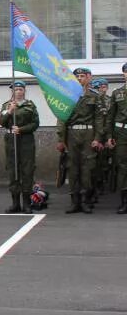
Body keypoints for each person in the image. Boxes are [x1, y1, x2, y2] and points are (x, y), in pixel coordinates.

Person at [56, 67, 103, 214]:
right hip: (72, 133)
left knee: (87, 168)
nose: (80, 79)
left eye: (82, 76)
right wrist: (61, 139)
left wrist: (97, 138)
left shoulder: (95, 96)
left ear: (88, 78)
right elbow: (62, 118)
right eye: (77, 77)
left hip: (88, 133)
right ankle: (74, 202)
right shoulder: (68, 95)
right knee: (72, 168)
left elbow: (99, 118)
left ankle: (85, 201)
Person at [0, 81, 39, 213]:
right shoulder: (6, 105)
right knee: (13, 170)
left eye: (21, 89)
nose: (19, 92)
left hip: (26, 140)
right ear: (12, 91)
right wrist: (10, 111)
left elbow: (35, 123)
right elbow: (2, 122)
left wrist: (21, 129)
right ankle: (15, 203)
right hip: (11, 140)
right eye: (16, 89)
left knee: (27, 170)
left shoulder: (30, 105)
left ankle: (26, 203)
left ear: (24, 91)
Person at [106, 62, 127, 214]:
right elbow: (110, 116)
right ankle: (124, 202)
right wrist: (109, 136)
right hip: (121, 133)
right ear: (123, 74)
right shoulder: (117, 93)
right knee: (122, 167)